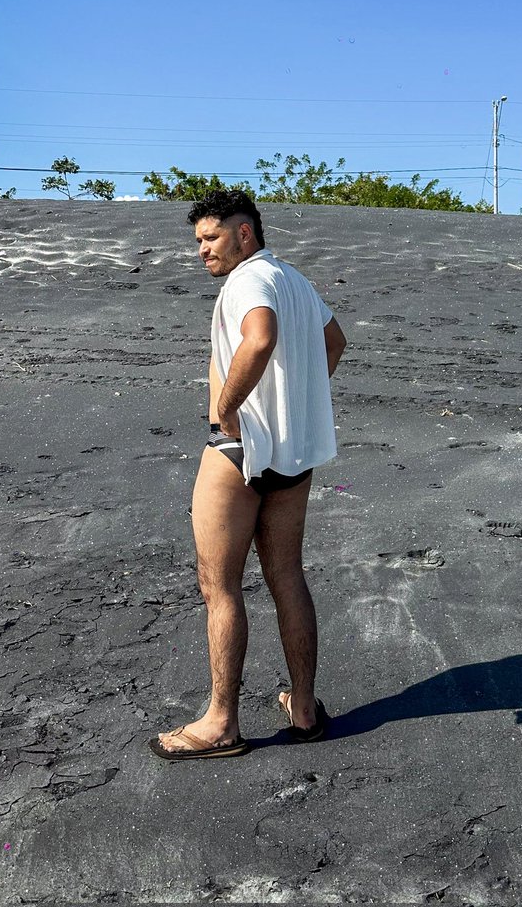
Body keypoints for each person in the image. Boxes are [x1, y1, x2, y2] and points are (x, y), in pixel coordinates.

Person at [149, 190, 346, 760]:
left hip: (237, 451)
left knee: (220, 587)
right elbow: (335, 342)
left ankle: (221, 723)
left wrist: (227, 407)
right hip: (292, 454)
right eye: (198, 241)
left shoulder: (248, 279)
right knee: (287, 576)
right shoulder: (295, 280)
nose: (202, 250)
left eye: (211, 237)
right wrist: (295, 401)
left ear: (244, 233)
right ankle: (304, 709)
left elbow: (260, 338)